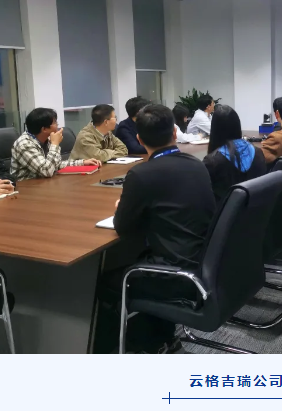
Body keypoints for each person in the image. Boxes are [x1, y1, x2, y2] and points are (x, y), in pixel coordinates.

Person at [99, 104, 216, 353]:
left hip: (173, 275)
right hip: (203, 264)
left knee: (104, 282)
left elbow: (123, 227)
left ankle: (131, 345)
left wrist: (123, 207)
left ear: (139, 139)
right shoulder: (197, 165)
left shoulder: (141, 174)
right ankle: (160, 336)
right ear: (174, 133)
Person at [11, 108, 101, 181]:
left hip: (43, 184)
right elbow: (47, 171)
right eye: (55, 123)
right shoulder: (24, 144)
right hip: (26, 188)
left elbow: (55, 165)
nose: (57, 125)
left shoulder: (46, 139)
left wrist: (82, 162)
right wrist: (55, 144)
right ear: (44, 129)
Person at [203, 105, 266, 203]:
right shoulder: (258, 152)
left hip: (226, 211)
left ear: (214, 129)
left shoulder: (212, 161)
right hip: (257, 209)